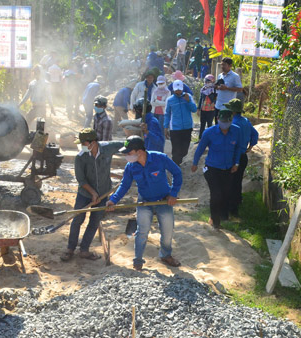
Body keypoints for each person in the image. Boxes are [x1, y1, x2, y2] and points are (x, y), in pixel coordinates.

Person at [107, 136, 182, 270]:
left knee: (167, 232)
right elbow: (124, 185)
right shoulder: (131, 166)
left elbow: (177, 173)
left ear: (139, 152)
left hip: (164, 201)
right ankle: (138, 261)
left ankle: (166, 255)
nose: (126, 156)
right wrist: (113, 200)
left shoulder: (160, 158)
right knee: (142, 232)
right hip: (144, 202)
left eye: (128, 153)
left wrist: (174, 194)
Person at [61, 129, 123, 262]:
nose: (81, 145)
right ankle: (70, 248)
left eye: (83, 143)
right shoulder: (80, 157)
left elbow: (126, 144)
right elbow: (81, 180)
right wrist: (93, 193)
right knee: (77, 220)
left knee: (94, 222)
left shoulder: (108, 148)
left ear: (93, 142)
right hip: (84, 194)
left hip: (104, 192)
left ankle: (84, 249)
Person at [192, 109, 244, 229]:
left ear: (231, 121)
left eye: (227, 121)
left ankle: (222, 216)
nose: (224, 124)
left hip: (228, 168)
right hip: (212, 168)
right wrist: (195, 163)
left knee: (226, 193)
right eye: (222, 121)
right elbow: (200, 148)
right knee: (216, 194)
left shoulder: (236, 131)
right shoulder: (209, 132)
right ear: (218, 120)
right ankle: (215, 221)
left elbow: (238, 148)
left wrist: (236, 163)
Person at [225, 98, 258, 216]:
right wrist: (250, 147)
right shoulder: (246, 121)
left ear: (233, 111)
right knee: (237, 181)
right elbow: (255, 134)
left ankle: (231, 209)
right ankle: (237, 202)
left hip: (233, 157)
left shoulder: (232, 124)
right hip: (243, 156)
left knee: (230, 182)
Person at [164, 80, 197, 166]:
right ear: (173, 89)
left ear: (182, 88)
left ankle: (182, 164)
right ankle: (175, 166)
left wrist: (188, 101)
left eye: (180, 89)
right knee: (176, 149)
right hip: (175, 128)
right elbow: (167, 114)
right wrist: (165, 127)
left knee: (185, 149)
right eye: (176, 89)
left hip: (187, 127)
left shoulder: (188, 96)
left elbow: (194, 109)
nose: (178, 91)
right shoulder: (170, 100)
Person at [198, 74, 217, 139]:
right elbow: (201, 99)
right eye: (205, 81)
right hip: (203, 110)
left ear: (212, 82)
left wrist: (214, 103)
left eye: (208, 82)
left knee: (209, 125)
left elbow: (216, 98)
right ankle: (200, 138)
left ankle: (209, 139)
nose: (206, 83)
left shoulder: (214, 90)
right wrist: (198, 109)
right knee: (202, 125)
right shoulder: (203, 89)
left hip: (211, 110)